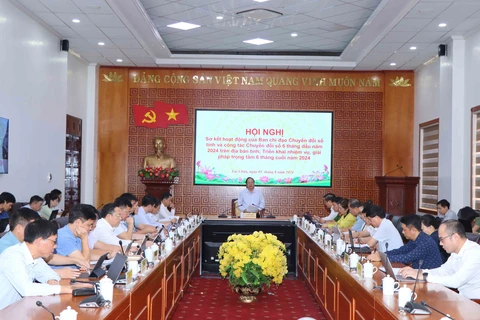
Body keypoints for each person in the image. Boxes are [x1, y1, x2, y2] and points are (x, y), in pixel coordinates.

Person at [0, 220, 92, 310]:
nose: (55, 246)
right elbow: (27, 289)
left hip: (20, 308)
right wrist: (64, 288)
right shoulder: (13, 256)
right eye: (54, 241)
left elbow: (50, 274)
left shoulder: (35, 256)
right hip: (5, 312)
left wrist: (52, 280)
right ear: (39, 241)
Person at [399, 220, 480, 299]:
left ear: (455, 237)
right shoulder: (456, 252)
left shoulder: (474, 253)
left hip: (475, 303)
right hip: (462, 299)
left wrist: (424, 277)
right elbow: (444, 271)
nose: (440, 243)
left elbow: (456, 281)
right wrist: (418, 272)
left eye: (442, 239)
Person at [367, 214, 442, 269]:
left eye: (404, 229)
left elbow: (407, 257)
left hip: (429, 279)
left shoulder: (425, 242)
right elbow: (402, 250)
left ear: (413, 230)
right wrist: (382, 255)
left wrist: (382, 258)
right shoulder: (417, 238)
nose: (402, 232)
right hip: (418, 274)